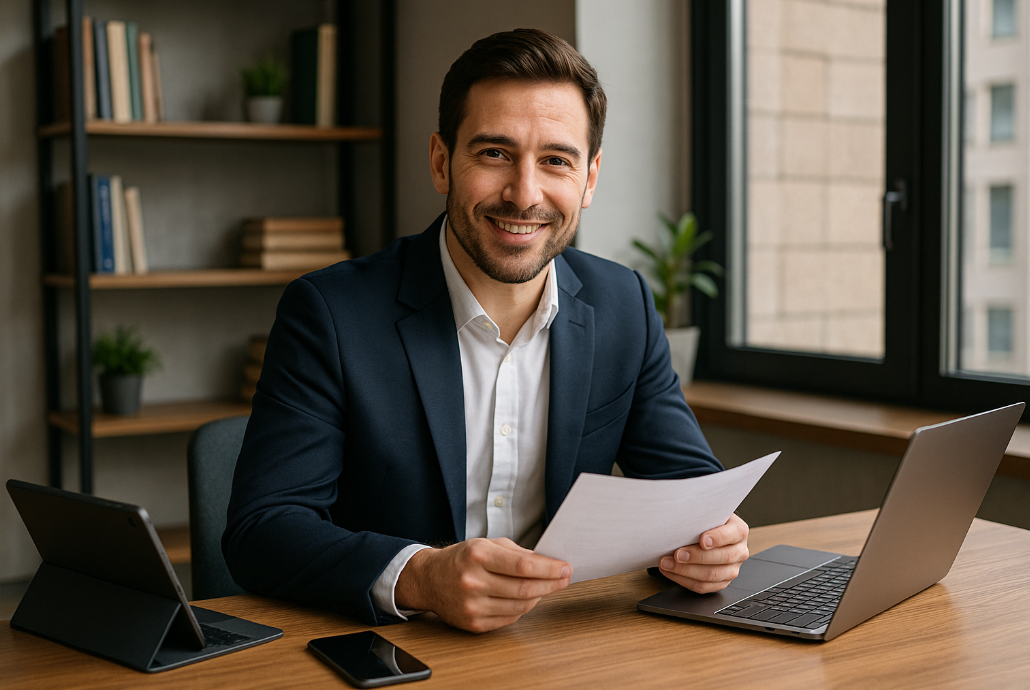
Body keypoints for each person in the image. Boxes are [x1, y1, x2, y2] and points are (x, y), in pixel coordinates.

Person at [223, 28, 749, 634]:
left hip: (559, 646)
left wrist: (712, 544)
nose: (524, 195)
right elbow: (262, 531)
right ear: (442, 162)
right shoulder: (329, 312)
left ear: (590, 178)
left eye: (556, 160)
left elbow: (690, 490)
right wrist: (420, 576)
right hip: (394, 649)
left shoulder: (623, 303)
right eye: (494, 153)